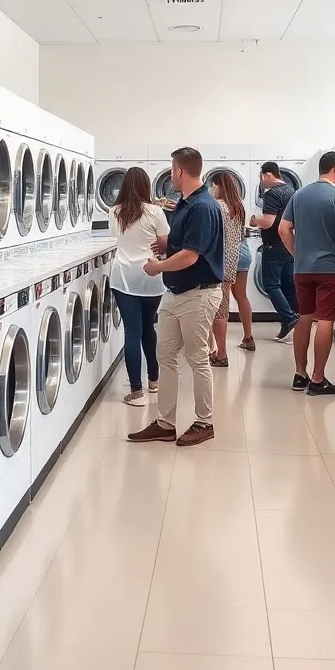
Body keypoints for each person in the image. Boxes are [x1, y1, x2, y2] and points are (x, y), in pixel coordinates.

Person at [128, 147, 224, 447]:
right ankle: (165, 423)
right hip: (176, 293)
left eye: (172, 169)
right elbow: (183, 241)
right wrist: (165, 243)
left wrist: (158, 267)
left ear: (180, 171)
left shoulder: (203, 207)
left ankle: (204, 423)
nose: (170, 174)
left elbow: (191, 256)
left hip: (199, 294)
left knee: (197, 359)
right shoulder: (184, 204)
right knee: (165, 356)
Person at [278, 151, 335, 396]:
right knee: (325, 321)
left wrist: (297, 254)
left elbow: (283, 229)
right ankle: (318, 379)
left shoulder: (299, 195)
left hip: (303, 269)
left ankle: (300, 374)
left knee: (305, 317)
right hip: (330, 270)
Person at [108, 166, 170, 407]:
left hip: (124, 276)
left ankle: (136, 391)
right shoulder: (156, 212)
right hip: (151, 274)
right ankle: (154, 379)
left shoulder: (115, 211)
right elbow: (164, 243)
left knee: (132, 332)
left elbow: (117, 238)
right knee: (148, 329)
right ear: (146, 186)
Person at [250, 162, 297, 341]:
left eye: (262, 177)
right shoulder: (291, 190)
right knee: (288, 285)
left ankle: (289, 318)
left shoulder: (272, 194)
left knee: (271, 284)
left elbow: (269, 222)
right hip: (289, 243)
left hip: (274, 245)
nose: (262, 181)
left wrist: (255, 220)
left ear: (268, 175)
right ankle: (293, 319)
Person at [207, 171, 245, 368]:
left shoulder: (216, 207)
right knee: (222, 310)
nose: (211, 190)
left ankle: (220, 354)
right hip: (230, 265)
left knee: (214, 312)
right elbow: (240, 237)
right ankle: (217, 351)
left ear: (218, 186)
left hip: (215, 265)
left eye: (212, 186)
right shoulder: (238, 208)